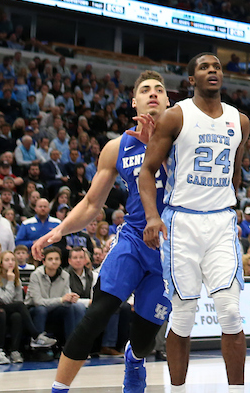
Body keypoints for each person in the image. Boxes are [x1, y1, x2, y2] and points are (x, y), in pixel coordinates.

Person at [34, 71, 172, 393]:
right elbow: (92, 203)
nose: (153, 94)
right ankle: (58, 389)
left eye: (159, 90)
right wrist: (58, 231)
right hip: (133, 241)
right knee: (96, 316)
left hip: (169, 249)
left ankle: (134, 360)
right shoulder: (116, 147)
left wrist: (157, 147)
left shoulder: (182, 143)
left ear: (168, 102)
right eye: (145, 90)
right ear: (134, 101)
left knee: (143, 339)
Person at [139, 54, 250, 393]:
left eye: (216, 67)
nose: (212, 71)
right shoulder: (176, 116)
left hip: (220, 223)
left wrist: (233, 205)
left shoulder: (240, 121)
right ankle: (177, 389)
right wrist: (153, 217)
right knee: (183, 316)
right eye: (204, 67)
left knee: (230, 313)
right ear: (191, 80)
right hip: (181, 222)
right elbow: (147, 171)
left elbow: (236, 171)